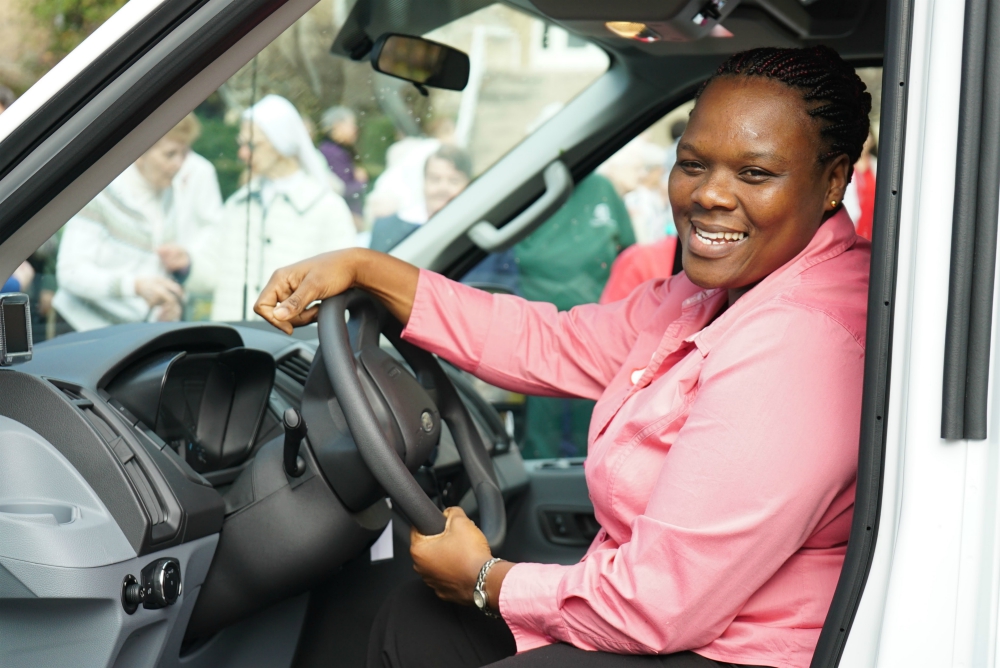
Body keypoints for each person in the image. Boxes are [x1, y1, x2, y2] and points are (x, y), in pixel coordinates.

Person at [254, 45, 871, 668]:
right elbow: (555, 342)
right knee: (415, 621)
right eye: (693, 163)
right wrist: (370, 270)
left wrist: (485, 579)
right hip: (677, 624)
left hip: (734, 652)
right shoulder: (721, 289)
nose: (710, 194)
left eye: (755, 174)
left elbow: (661, 605)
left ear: (834, 181)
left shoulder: (801, 339)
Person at [53, 114, 222, 331]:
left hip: (128, 334)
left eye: (184, 153)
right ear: (139, 152)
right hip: (80, 328)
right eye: (169, 154)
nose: (179, 164)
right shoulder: (102, 193)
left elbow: (154, 273)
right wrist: (135, 286)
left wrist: (169, 302)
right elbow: (70, 272)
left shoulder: (171, 194)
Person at [513, 172, 634, 458]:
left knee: (591, 424)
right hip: (541, 329)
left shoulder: (600, 187)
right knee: (545, 425)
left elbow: (629, 248)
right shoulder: (530, 188)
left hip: (596, 331)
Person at [209, 95, 355, 322]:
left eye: (252, 145)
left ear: (280, 142)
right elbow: (210, 264)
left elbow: (342, 288)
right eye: (241, 144)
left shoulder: (327, 208)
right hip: (231, 343)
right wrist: (183, 263)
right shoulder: (239, 203)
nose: (243, 154)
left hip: (292, 347)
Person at [370, 146, 519, 295]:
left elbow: (505, 296)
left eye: (454, 181)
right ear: (423, 182)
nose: (443, 188)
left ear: (468, 186)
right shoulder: (387, 229)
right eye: (435, 179)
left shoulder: (488, 235)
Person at [319, 107, 368, 221]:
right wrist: (361, 182)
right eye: (351, 124)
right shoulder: (332, 153)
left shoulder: (332, 149)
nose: (355, 129)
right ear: (338, 125)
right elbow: (342, 191)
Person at [843, 132, 877, 240]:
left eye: (868, 136)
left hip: (872, 223)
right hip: (852, 223)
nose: (865, 141)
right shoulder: (846, 166)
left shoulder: (876, 165)